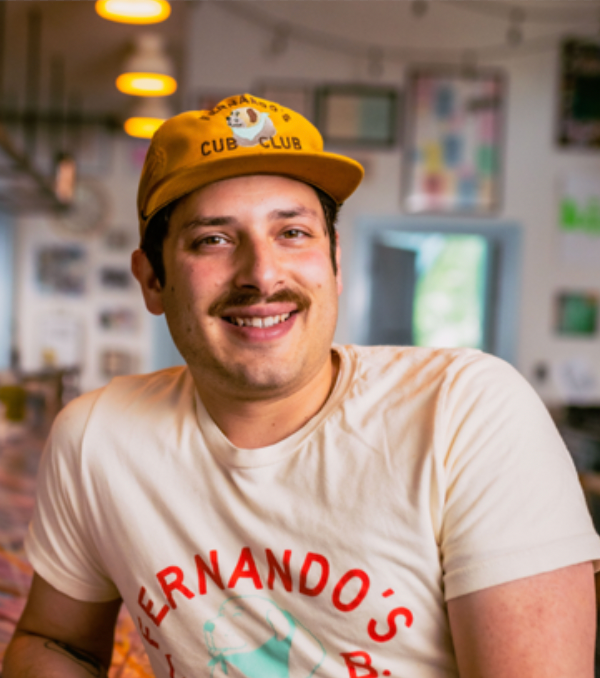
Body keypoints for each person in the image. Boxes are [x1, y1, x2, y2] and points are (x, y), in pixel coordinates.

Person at [5, 93, 600, 678]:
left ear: (335, 261)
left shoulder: (469, 414)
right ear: (153, 281)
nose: (263, 274)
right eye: (213, 238)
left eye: (292, 232)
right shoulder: (97, 439)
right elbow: (58, 644)